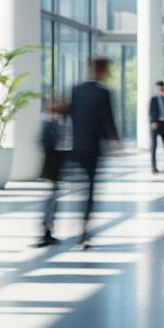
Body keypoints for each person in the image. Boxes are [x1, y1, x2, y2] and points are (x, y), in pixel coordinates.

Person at [69, 57, 120, 249]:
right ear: (101, 71)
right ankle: (84, 231)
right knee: (90, 191)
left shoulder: (77, 90)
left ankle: (78, 227)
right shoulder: (104, 93)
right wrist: (115, 142)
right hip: (93, 150)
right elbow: (108, 120)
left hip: (78, 147)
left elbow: (72, 116)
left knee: (79, 191)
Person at [35, 96, 69, 247]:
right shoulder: (48, 122)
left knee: (53, 199)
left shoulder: (56, 122)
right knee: (51, 200)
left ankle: (48, 230)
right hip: (51, 167)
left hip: (55, 167)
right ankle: (46, 231)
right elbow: (46, 143)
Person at [148, 80, 164, 174]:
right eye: (160, 87)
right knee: (154, 146)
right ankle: (154, 167)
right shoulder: (153, 99)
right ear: (157, 88)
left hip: (163, 125)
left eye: (162, 87)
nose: (161, 89)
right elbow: (151, 112)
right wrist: (153, 122)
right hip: (155, 124)